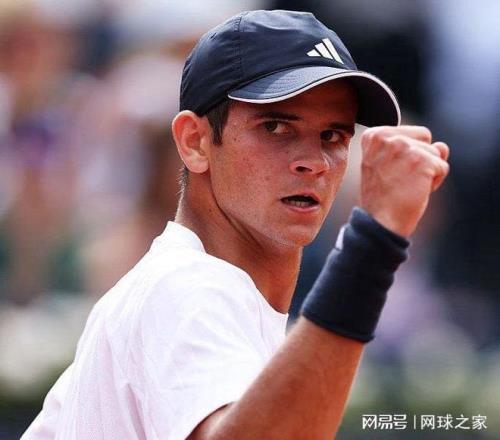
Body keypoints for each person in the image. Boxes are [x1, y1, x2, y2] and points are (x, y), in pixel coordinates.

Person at [22, 10, 449, 440]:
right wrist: (374, 241)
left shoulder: (205, 293)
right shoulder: (188, 287)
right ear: (194, 142)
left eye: (333, 136)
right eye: (276, 126)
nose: (314, 162)